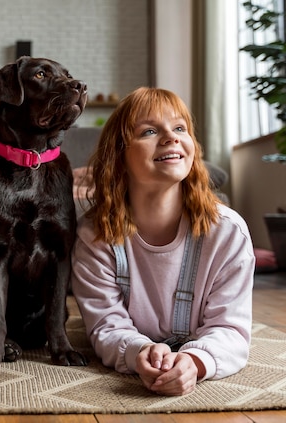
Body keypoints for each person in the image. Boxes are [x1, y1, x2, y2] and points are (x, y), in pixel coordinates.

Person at [71, 87, 255, 396]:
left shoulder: (228, 232)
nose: (171, 137)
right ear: (119, 156)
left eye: (180, 128)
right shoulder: (94, 234)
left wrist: (196, 361)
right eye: (149, 131)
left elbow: (230, 328)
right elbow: (106, 324)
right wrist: (137, 352)